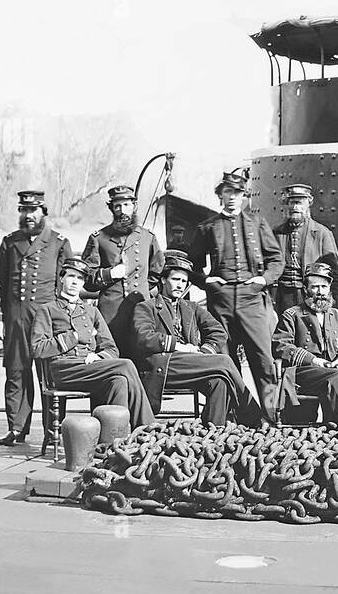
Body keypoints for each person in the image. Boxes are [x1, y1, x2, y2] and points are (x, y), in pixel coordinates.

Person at [188, 168, 284, 421]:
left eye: (237, 192)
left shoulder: (257, 222)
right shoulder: (207, 227)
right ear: (219, 195)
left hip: (252, 300)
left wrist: (262, 280)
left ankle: (273, 415)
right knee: (225, 361)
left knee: (265, 361)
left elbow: (276, 260)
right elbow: (192, 266)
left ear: (244, 195)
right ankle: (237, 415)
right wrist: (208, 282)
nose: (232, 197)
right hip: (220, 301)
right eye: (227, 191)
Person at [129, 249, 258, 423]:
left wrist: (204, 352)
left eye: (184, 281)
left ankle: (213, 430)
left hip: (192, 365)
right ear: (163, 280)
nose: (180, 285)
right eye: (175, 279)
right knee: (224, 361)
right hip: (163, 365)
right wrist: (180, 347)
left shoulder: (192, 307)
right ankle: (252, 415)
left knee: (219, 380)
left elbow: (218, 332)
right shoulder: (146, 307)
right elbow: (144, 337)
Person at [29, 257, 155, 430]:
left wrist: (98, 356)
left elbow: (110, 347)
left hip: (89, 368)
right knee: (126, 365)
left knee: (119, 381)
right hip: (63, 369)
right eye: (71, 276)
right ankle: (148, 427)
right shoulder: (48, 309)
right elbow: (37, 349)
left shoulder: (91, 311)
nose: (75, 282)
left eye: (80, 278)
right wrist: (73, 336)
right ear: (61, 279)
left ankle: (111, 441)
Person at [0, 189, 72, 446]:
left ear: (43, 213)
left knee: (50, 376)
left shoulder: (59, 243)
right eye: (24, 210)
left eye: (33, 210)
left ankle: (53, 430)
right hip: (15, 319)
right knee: (16, 374)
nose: (27, 215)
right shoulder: (10, 243)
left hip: (46, 321)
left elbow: (67, 283)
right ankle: (16, 428)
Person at [272, 262, 338, 426]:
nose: (320, 292)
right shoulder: (292, 315)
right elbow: (281, 345)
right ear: (306, 289)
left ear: (329, 287)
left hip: (331, 371)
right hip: (302, 373)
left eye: (324, 286)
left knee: (336, 375)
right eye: (315, 287)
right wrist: (314, 360)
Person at [82, 184, 164, 356]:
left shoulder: (147, 238)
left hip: (141, 310)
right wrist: (109, 274)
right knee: (112, 358)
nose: (122, 210)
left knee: (144, 357)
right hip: (111, 315)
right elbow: (87, 279)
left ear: (134, 206)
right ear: (112, 208)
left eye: (126, 205)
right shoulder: (99, 238)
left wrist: (141, 288)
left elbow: (157, 271)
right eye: (117, 206)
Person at [271, 183, 338, 317]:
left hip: (310, 297)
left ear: (308, 204)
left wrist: (329, 303)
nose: (295, 207)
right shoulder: (277, 233)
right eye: (291, 203)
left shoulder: (321, 233)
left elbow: (336, 275)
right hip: (282, 297)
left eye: (299, 203)